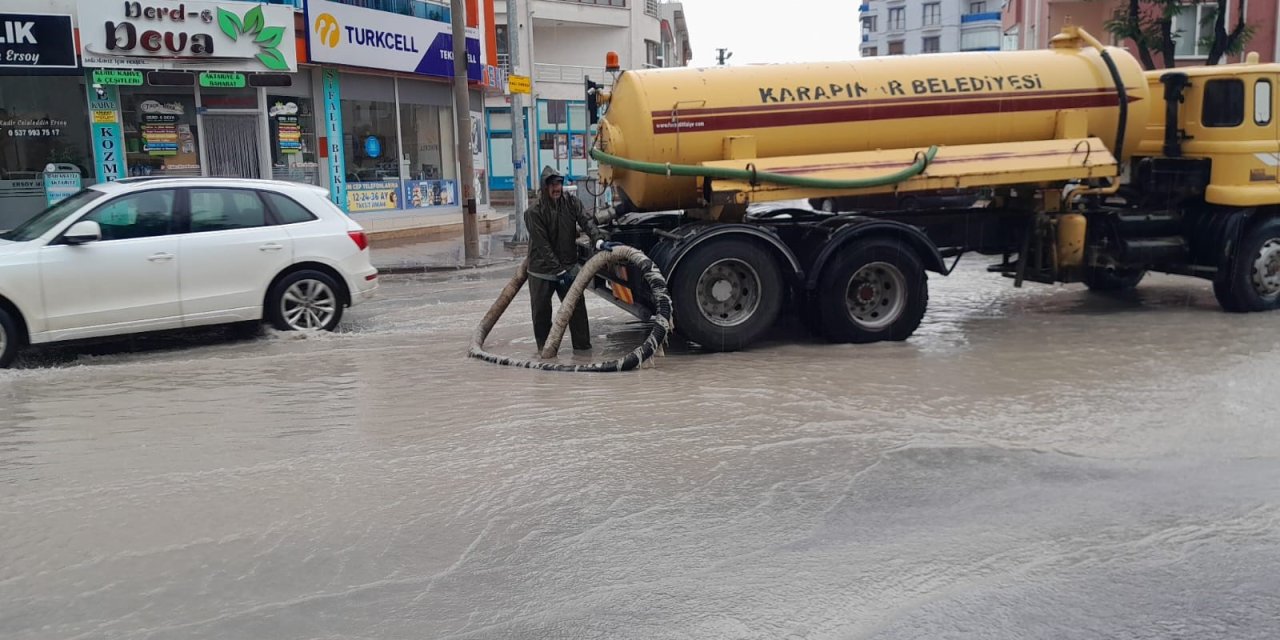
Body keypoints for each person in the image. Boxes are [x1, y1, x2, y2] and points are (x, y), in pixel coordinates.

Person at [525, 166, 618, 353]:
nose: (556, 188)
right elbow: (543, 246)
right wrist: (558, 271)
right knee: (542, 313)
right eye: (552, 185)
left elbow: (587, 222)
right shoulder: (533, 212)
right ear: (544, 187)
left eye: (559, 183)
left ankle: (583, 351)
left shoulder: (571, 202)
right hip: (541, 270)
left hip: (568, 265)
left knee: (577, 310)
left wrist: (598, 241)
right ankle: (545, 352)